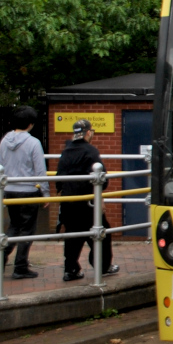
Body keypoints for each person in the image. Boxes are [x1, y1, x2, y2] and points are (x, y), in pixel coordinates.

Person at [55, 119, 119, 281]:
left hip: (69, 201)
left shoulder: (66, 151)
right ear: (88, 133)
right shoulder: (90, 151)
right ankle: (103, 266)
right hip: (87, 201)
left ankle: (71, 269)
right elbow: (101, 180)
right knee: (102, 232)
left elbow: (59, 179)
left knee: (72, 236)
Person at [0, 106, 49, 280]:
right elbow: (40, 170)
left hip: (9, 190)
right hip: (27, 191)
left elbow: (0, 165)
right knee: (27, 229)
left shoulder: (5, 140)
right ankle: (20, 267)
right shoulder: (33, 143)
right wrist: (45, 192)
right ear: (30, 124)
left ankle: (1, 255)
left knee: (14, 225)